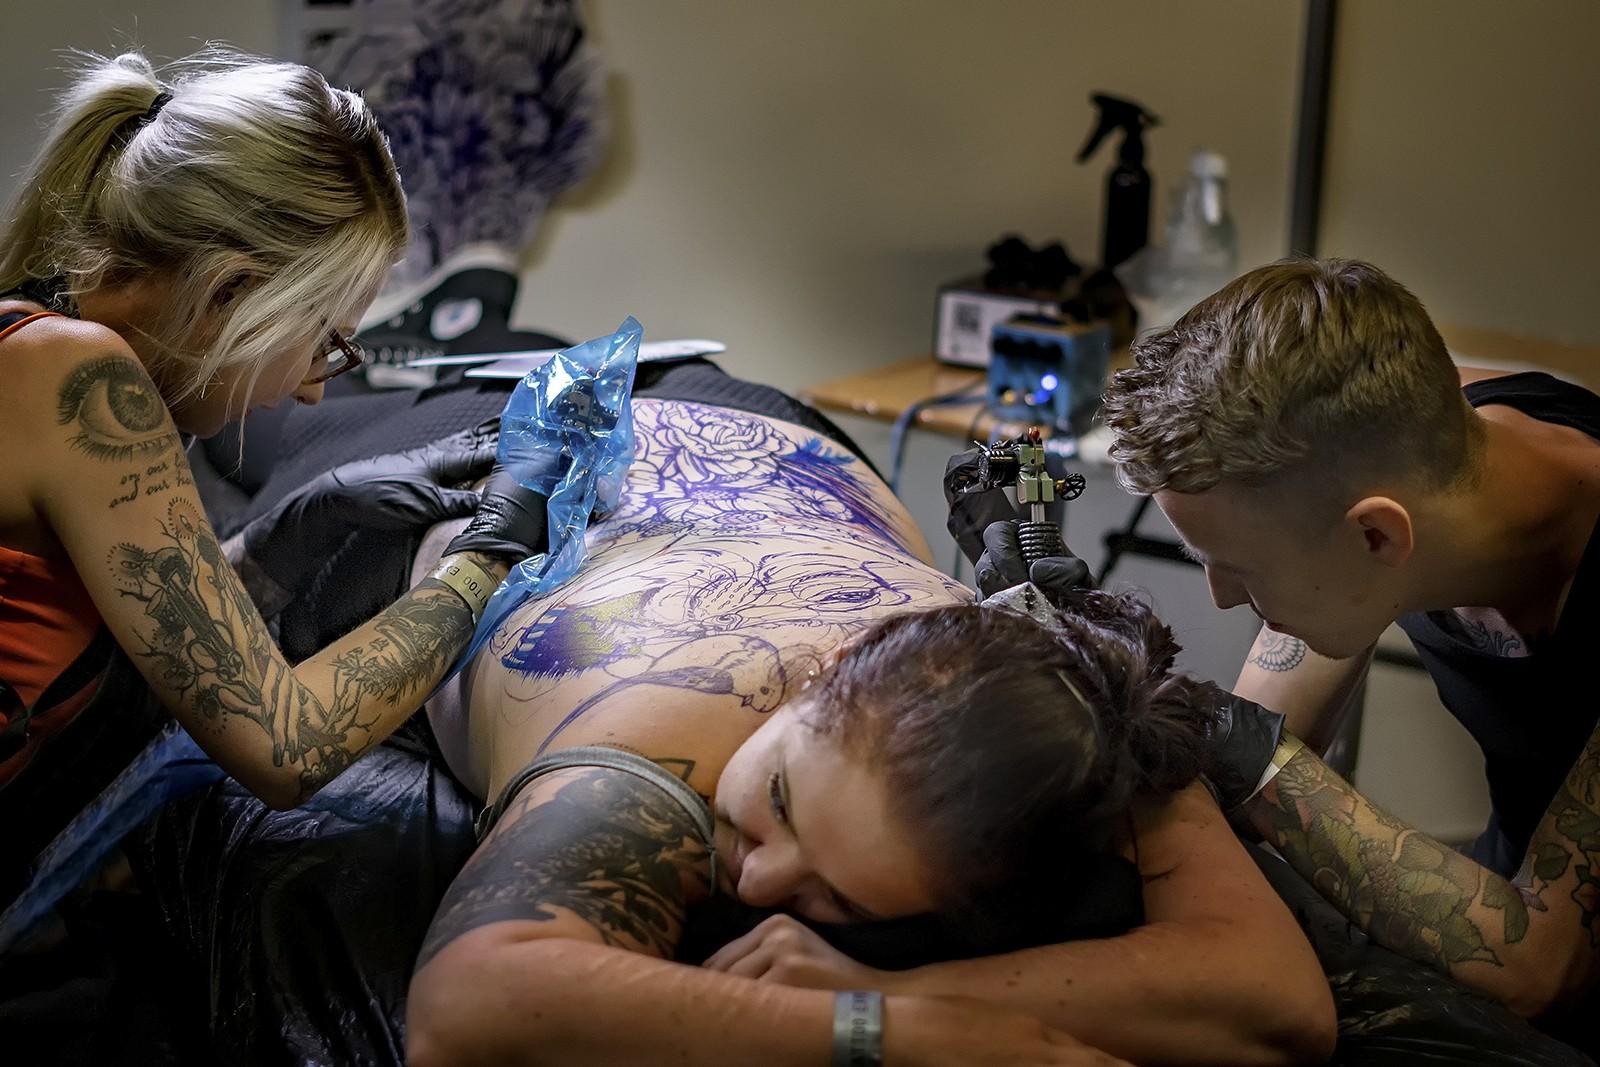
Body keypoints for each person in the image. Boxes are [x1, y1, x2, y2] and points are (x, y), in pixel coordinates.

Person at [404, 390, 1335, 1066]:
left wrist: (903, 988)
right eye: (780, 800)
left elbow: (1273, 998)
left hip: (790, 455)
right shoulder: (646, 759)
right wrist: (884, 1031)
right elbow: (464, 1007)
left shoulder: (1055, 693)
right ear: (830, 669)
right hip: (516, 440)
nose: (758, 878)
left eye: (840, 901)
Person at [0, 50, 548, 904]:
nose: (313, 388)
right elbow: (286, 745)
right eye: (324, 340)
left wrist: (295, 533)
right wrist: (485, 562)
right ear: (231, 293)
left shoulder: (35, 342)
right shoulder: (84, 381)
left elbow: (161, 628)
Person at [1058, 257, 1599, 1039]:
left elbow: (1544, 969)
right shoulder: (1408, 434)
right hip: (1505, 879)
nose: (1220, 596)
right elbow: (1251, 760)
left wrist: (1238, 743)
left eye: (1241, 568)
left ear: (1376, 536)